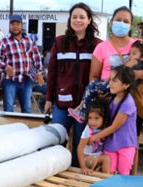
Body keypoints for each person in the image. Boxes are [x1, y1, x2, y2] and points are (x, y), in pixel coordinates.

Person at [45, 3, 101, 166]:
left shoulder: (97, 45)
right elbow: (52, 73)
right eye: (74, 17)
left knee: (80, 143)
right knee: (57, 139)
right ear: (70, 20)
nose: (78, 20)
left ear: (89, 20)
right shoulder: (60, 42)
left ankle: (76, 176)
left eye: (82, 17)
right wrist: (49, 99)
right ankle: (55, 172)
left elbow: (99, 76)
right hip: (62, 103)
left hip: (86, 106)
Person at [69, 40, 143, 128]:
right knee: (92, 89)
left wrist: (127, 65)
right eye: (130, 53)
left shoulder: (138, 66)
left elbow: (122, 74)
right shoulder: (138, 65)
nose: (130, 56)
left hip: (119, 89)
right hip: (117, 89)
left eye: (134, 54)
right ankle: (82, 109)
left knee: (92, 86)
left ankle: (82, 112)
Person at [89, 66, 137, 175]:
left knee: (123, 173)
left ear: (126, 85)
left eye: (114, 81)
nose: (110, 83)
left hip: (125, 145)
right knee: (108, 172)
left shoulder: (128, 102)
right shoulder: (112, 98)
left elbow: (114, 127)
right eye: (110, 79)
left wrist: (95, 137)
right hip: (110, 143)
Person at [0, 14, 44, 113]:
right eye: (12, 24)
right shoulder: (4, 42)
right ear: (10, 26)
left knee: (27, 110)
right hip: (9, 81)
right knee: (8, 110)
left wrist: (39, 73)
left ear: (21, 25)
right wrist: (5, 66)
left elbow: (36, 57)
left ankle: (25, 128)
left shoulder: (29, 41)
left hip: (26, 80)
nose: (15, 26)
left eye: (18, 24)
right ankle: (9, 129)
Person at [77, 100, 109, 175]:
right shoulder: (88, 130)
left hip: (96, 157)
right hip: (87, 158)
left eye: (96, 118)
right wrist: (83, 167)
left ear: (104, 118)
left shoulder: (104, 129)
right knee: (106, 159)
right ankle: (107, 179)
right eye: (90, 118)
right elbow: (80, 148)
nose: (92, 122)